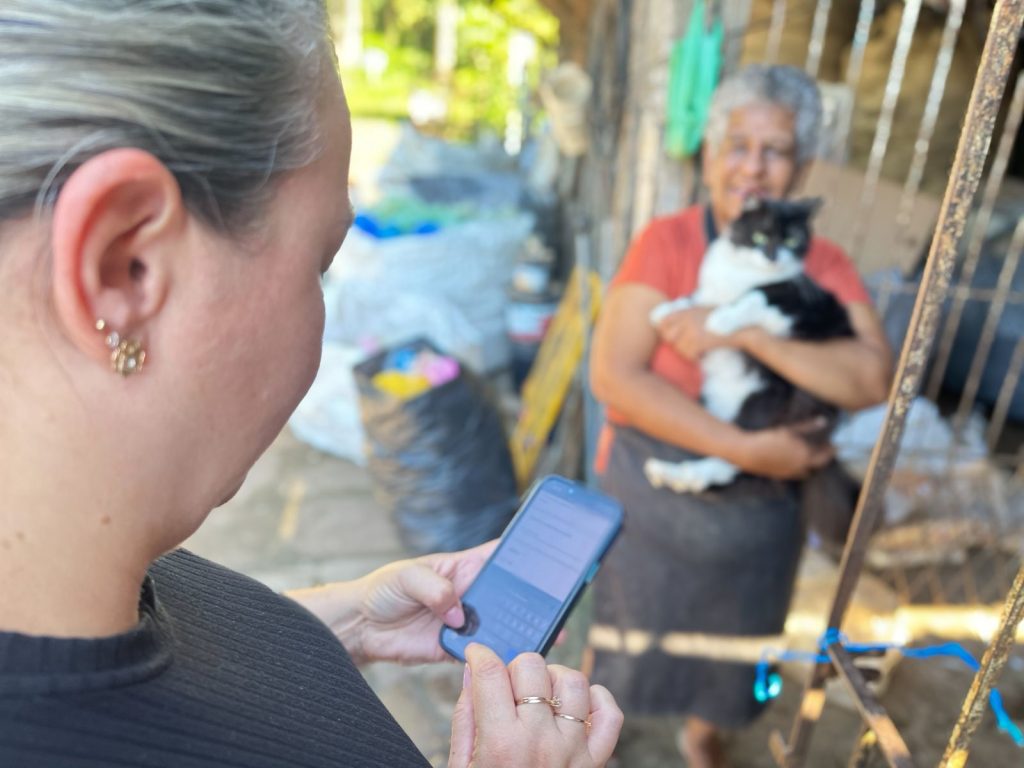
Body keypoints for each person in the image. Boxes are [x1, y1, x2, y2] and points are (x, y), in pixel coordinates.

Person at [0, 2, 623, 766]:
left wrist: (335, 624)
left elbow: (146, 671)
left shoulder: (88, 562)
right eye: (319, 263)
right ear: (125, 268)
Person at [586, 65, 893, 768]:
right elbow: (615, 376)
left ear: (801, 166)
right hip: (654, 490)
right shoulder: (666, 242)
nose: (753, 167)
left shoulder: (822, 262)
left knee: (734, 650)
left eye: (775, 150)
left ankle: (703, 737)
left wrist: (748, 335)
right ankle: (594, 731)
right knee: (624, 635)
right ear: (709, 155)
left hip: (761, 514)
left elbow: (871, 378)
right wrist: (745, 449)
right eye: (738, 146)